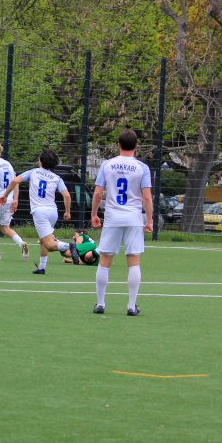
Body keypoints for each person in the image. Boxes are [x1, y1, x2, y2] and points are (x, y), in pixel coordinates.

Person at [90, 129, 153, 316]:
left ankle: (100, 303)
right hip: (133, 218)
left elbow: (98, 193)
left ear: (118, 145)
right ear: (136, 146)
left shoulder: (107, 165)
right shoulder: (142, 167)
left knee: (105, 260)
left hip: (113, 217)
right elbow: (147, 197)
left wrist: (94, 214)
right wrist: (149, 220)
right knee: (133, 260)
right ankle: (131, 306)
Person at [0, 149, 72, 274]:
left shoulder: (33, 172)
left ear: (41, 161)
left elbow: (15, 181)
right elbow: (67, 195)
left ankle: (70, 246)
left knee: (49, 244)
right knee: (43, 240)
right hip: (53, 211)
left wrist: (5, 195)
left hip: (40, 212)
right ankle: (42, 267)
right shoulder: (57, 178)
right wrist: (67, 211)